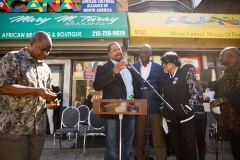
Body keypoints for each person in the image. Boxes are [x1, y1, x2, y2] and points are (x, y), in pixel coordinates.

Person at [0, 31, 60, 160]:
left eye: (48, 51)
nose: (45, 54)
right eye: (43, 49)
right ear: (32, 43)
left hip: (37, 130)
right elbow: (3, 87)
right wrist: (37, 90)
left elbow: (45, 95)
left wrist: (51, 103)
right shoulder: (12, 58)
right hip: (14, 128)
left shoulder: (45, 68)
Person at [93, 42, 137, 160]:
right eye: (114, 50)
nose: (118, 51)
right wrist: (113, 72)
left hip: (130, 108)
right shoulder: (103, 68)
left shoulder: (129, 68)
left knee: (128, 141)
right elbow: (97, 85)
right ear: (109, 54)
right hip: (112, 110)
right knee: (112, 143)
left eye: (119, 49)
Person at [199, 47, 240, 160]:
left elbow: (238, 89)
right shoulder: (229, 70)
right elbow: (219, 83)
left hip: (237, 115)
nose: (219, 58)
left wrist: (220, 100)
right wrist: (202, 83)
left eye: (221, 55)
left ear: (230, 55)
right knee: (235, 145)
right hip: (230, 117)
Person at [160, 51, 198, 160]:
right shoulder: (165, 77)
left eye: (166, 62)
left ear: (175, 62)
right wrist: (163, 109)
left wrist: (187, 108)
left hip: (186, 119)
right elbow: (163, 95)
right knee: (177, 148)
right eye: (163, 62)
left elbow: (195, 93)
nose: (164, 65)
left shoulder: (186, 73)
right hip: (171, 120)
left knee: (190, 147)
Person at [132, 44, 167, 160]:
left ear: (150, 53)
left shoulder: (159, 68)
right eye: (141, 52)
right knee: (140, 136)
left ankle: (161, 158)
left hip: (155, 106)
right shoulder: (133, 67)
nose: (143, 55)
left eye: (146, 52)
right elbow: (131, 86)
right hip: (139, 107)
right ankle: (140, 157)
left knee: (158, 136)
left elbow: (163, 87)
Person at [182, 64, 207, 160]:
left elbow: (199, 99)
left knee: (201, 141)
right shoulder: (182, 85)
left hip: (201, 116)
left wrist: (206, 98)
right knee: (189, 142)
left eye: (194, 71)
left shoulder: (199, 85)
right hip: (189, 117)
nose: (193, 72)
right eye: (190, 71)